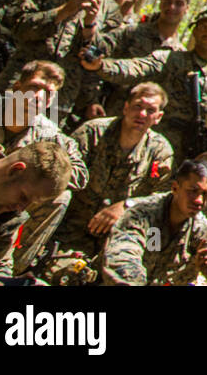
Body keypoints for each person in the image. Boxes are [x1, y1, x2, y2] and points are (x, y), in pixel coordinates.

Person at [0, 59, 88, 273]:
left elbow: (81, 175)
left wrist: (37, 168)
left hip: (3, 197)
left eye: (48, 93)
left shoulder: (48, 134)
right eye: (34, 87)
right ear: (17, 88)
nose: (39, 97)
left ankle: (12, 265)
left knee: (58, 195)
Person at [39, 82, 174, 284]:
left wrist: (127, 206)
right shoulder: (92, 132)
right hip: (71, 227)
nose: (142, 114)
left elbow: (162, 199)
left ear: (158, 117)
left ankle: (150, 274)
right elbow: (62, 174)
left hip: (119, 237)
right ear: (125, 107)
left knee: (156, 231)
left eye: (150, 110)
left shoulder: (160, 150)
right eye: (138, 106)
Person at [82, 6, 207, 160]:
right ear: (194, 31)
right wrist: (102, 66)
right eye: (203, 27)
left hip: (198, 152)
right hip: (158, 144)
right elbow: (135, 68)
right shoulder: (171, 60)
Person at [0, 140, 72, 285]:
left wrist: (3, 282)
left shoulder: (2, 208)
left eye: (29, 204)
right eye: (23, 197)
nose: (20, 208)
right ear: (15, 170)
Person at [101, 159, 207, 286]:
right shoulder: (143, 214)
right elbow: (122, 257)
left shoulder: (200, 228)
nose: (199, 200)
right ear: (175, 188)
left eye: (205, 194)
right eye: (193, 191)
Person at [83, 0, 190, 119]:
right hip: (107, 111)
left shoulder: (179, 54)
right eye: (167, 1)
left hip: (142, 122)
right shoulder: (132, 32)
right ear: (160, 3)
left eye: (179, 3)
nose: (171, 7)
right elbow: (95, 53)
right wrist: (91, 100)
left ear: (187, 8)